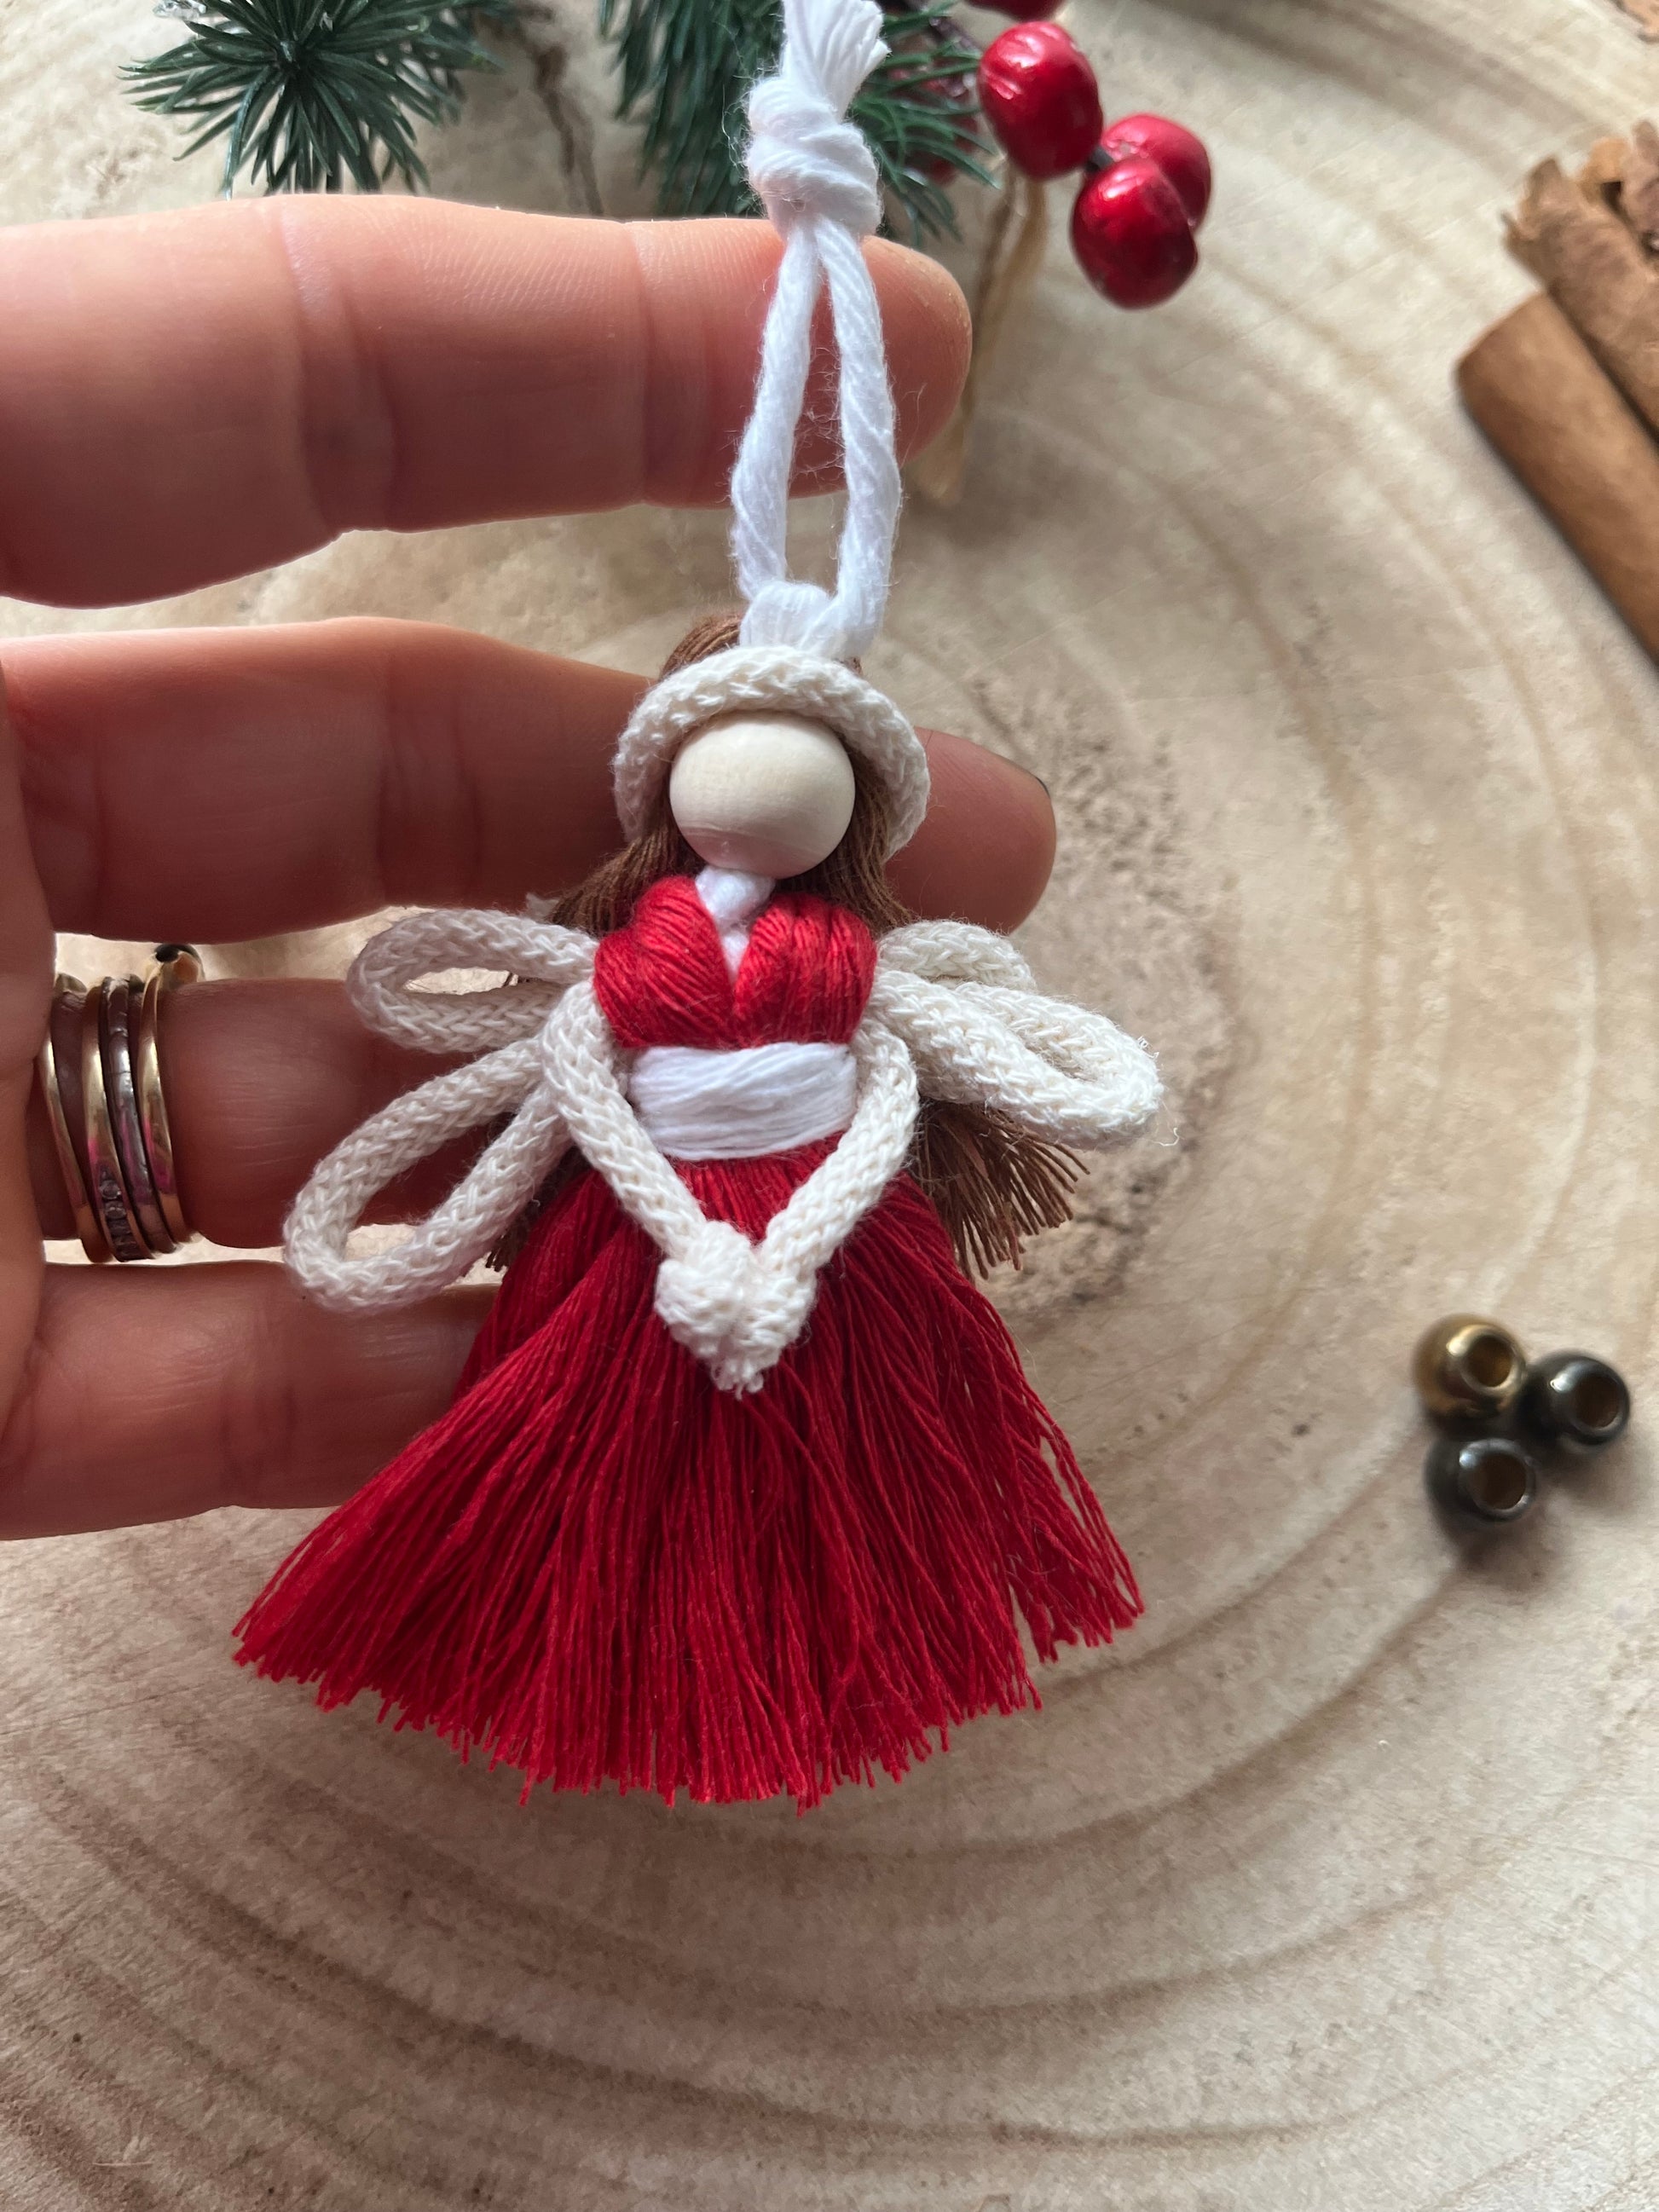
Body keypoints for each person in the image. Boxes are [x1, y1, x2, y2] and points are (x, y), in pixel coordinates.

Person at [0, 194, 1058, 1543]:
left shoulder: (823, 987)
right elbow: (582, 1074)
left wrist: (752, 1256)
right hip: (706, 1249)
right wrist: (721, 1249)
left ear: (850, 811)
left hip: (749, 1250)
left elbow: (885, 1073)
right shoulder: (637, 983)